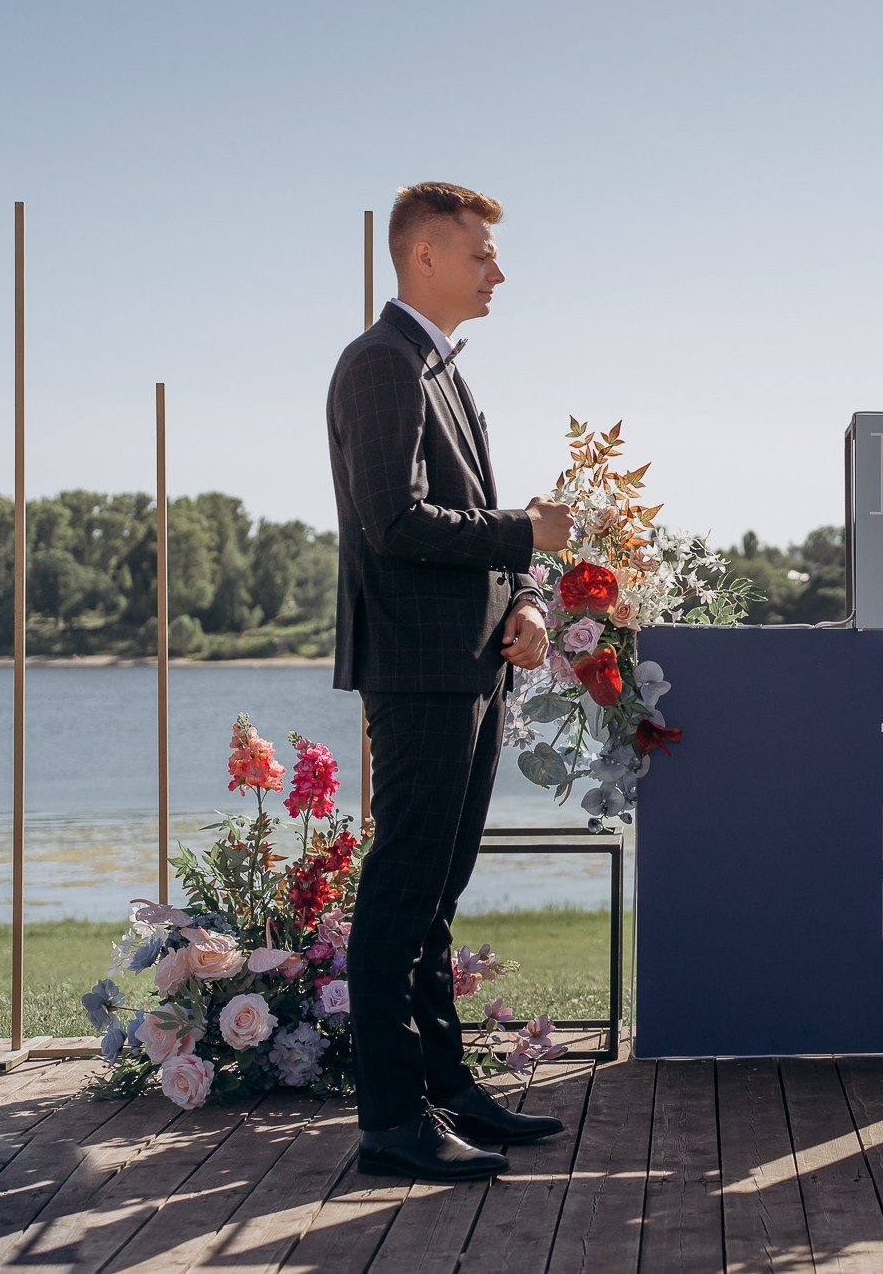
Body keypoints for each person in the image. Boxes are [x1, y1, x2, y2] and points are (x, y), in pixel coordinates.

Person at [325, 182, 575, 1182]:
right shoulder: (380, 364)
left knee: (436, 896)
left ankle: (446, 1088)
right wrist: (525, 532)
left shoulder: (442, 371)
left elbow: (480, 530)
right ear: (424, 256)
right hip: (418, 669)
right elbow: (394, 521)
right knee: (400, 896)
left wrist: (529, 601)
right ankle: (392, 1122)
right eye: (481, 254)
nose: (498, 272)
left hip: (471, 666)